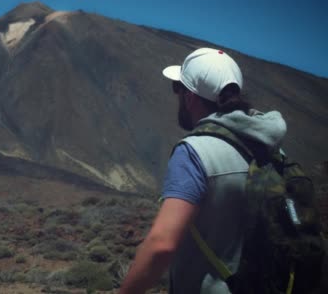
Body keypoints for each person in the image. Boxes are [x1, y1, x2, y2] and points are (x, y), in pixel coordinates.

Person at [119, 47, 287, 293]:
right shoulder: (273, 150)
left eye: (178, 88)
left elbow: (161, 245)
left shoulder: (194, 152)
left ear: (190, 97)